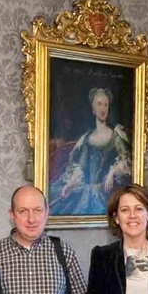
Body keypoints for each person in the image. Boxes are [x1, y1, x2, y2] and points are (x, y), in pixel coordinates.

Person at [49, 87, 133, 216]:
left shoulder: (116, 136)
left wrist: (112, 173)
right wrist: (71, 183)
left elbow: (125, 160)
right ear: (93, 109)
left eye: (105, 105)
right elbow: (80, 166)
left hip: (107, 190)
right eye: (99, 104)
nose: (103, 108)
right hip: (87, 192)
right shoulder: (87, 139)